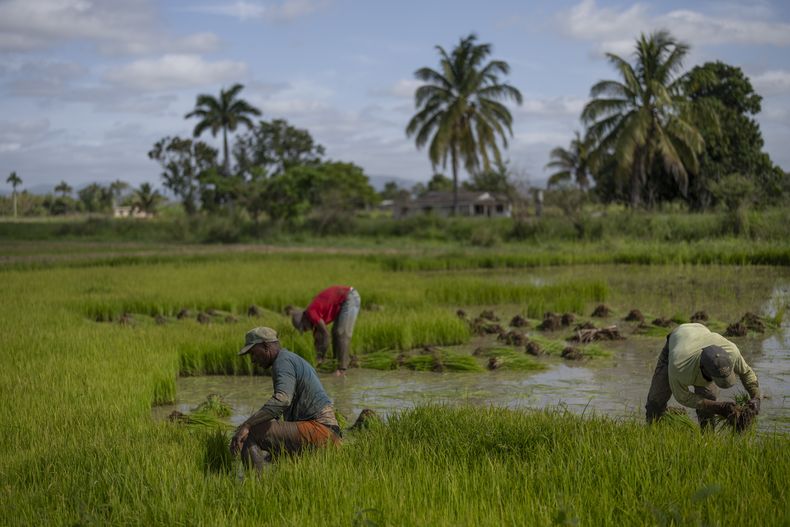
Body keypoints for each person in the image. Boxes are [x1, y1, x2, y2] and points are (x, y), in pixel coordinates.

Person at [230, 327, 341, 472]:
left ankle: (255, 487)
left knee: (253, 434)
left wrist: (246, 426)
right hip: (327, 433)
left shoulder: (282, 362)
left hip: (321, 431)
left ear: (265, 346)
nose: (252, 360)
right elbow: (279, 411)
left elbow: (282, 400)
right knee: (273, 452)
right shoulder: (290, 359)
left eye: (252, 353)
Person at [645, 322, 761, 428]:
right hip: (679, 338)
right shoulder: (680, 366)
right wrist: (720, 407)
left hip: (700, 331)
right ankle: (652, 429)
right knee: (655, 401)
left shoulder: (731, 353)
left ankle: (707, 436)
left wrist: (756, 397)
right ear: (704, 369)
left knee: (709, 402)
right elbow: (683, 397)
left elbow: (747, 373)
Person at [291, 285, 361, 375]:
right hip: (345, 300)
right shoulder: (313, 321)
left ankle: (342, 369)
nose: (305, 330)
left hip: (350, 297)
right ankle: (338, 363)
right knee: (335, 333)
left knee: (341, 333)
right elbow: (319, 339)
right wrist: (318, 357)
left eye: (304, 328)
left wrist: (320, 358)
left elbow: (325, 334)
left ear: (304, 319)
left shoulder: (311, 313)